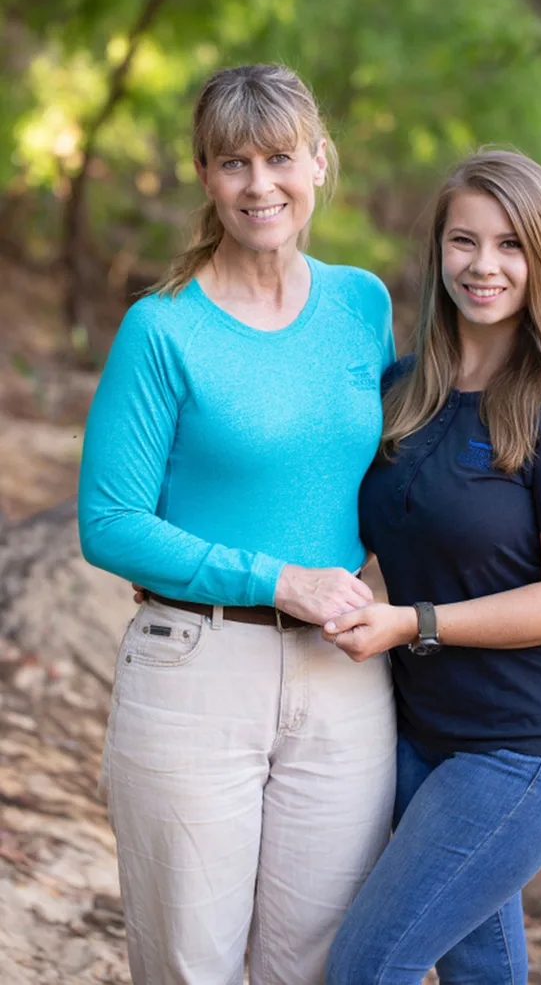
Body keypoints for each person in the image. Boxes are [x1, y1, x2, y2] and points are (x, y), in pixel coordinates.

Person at [77, 64, 398, 985]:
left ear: (320, 163)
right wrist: (277, 579)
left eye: (280, 157)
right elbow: (109, 522)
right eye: (232, 163)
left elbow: (387, 469)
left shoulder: (361, 305)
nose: (261, 185)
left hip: (341, 675)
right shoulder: (161, 330)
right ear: (205, 177)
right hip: (195, 670)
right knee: (191, 968)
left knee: (314, 965)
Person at [322, 149, 541, 985]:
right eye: (463, 241)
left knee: (369, 964)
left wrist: (412, 622)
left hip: (527, 745)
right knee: (480, 970)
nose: (483, 265)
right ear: (438, 252)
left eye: (510, 245)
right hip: (420, 726)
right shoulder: (403, 390)